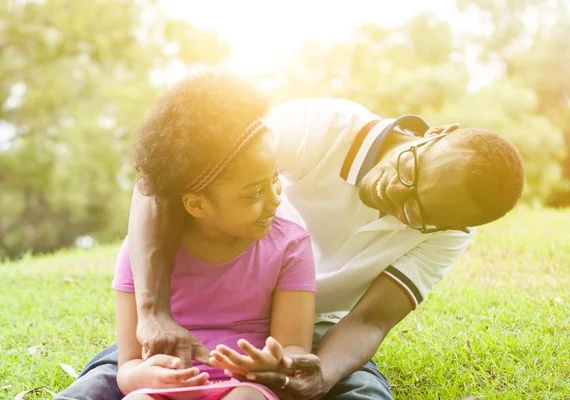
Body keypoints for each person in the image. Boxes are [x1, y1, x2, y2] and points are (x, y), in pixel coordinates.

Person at [57, 88, 525, 399]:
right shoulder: (323, 125)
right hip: (194, 309)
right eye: (410, 173)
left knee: (363, 391)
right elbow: (163, 178)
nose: (394, 196)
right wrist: (155, 311)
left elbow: (369, 320)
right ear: (435, 135)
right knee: (112, 378)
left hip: (309, 330)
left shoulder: (451, 229)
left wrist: (320, 374)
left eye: (418, 212)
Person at [56, 74, 317, 400]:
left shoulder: (289, 247)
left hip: (245, 387)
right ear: (197, 204)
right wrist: (145, 376)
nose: (276, 199)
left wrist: (279, 363)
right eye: (253, 195)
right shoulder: (136, 256)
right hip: (165, 391)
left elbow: (294, 346)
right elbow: (127, 367)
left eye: (274, 179)